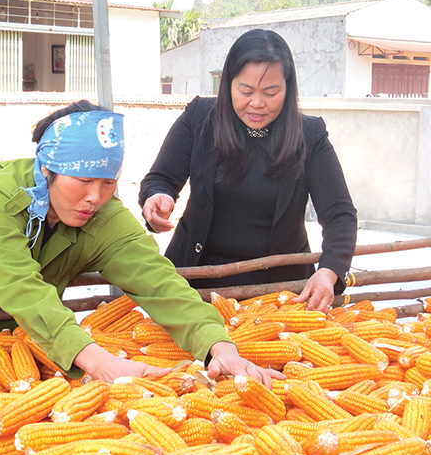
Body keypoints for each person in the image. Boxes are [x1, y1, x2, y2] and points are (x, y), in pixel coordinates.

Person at [0, 101, 282, 386]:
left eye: (108, 183)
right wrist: (100, 362)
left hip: (33, 346)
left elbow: (159, 281)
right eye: (83, 181)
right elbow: (22, 287)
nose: (95, 197)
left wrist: (220, 347)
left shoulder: (104, 215)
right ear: (48, 168)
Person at [139, 29, 357, 311]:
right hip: (196, 285)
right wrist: (158, 197)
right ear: (228, 83)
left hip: (278, 293)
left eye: (270, 92)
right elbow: (161, 179)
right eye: (245, 90)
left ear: (288, 89)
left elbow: (340, 214)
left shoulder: (309, 135)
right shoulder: (199, 118)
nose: (257, 103)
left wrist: (329, 271)